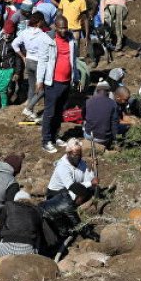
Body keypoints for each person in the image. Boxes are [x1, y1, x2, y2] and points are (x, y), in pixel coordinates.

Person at [39, 16, 76, 153]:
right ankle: (46, 140)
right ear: (55, 26)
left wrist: (75, 77)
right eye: (61, 27)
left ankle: (55, 136)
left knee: (60, 111)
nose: (64, 30)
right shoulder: (48, 40)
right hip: (53, 82)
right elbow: (42, 60)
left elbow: (74, 59)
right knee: (50, 112)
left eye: (65, 27)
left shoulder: (71, 39)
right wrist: (39, 80)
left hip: (66, 81)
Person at [39, 181, 93, 255]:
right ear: (78, 196)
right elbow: (79, 225)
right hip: (44, 221)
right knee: (56, 244)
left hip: (42, 212)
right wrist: (93, 236)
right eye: (82, 199)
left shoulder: (63, 194)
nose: (81, 202)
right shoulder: (68, 205)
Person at [0, 189, 43, 255]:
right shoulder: (36, 210)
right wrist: (36, 252)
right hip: (27, 251)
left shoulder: (8, 205)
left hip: (6, 249)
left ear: (15, 200)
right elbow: (38, 234)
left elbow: (0, 227)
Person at [83, 81, 119, 148]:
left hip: (89, 136)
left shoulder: (88, 101)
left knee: (85, 122)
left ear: (97, 90)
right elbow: (114, 124)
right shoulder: (113, 104)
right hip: (104, 139)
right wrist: (115, 140)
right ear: (108, 92)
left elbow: (83, 116)